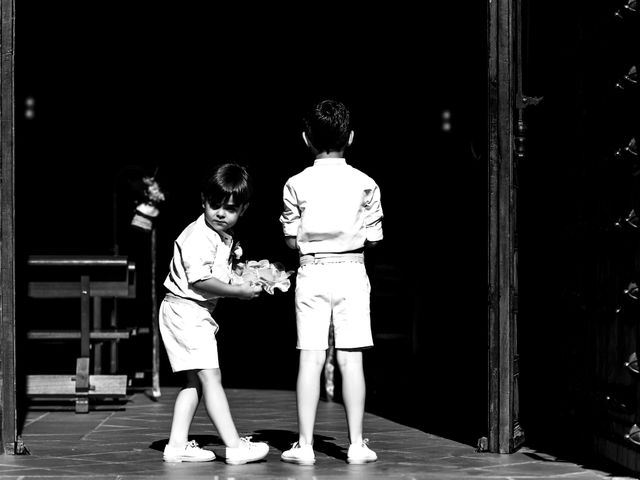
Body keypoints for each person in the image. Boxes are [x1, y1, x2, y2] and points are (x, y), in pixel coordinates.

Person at [279, 99, 383, 465]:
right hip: (352, 269)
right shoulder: (366, 183)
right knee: (351, 359)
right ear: (350, 137)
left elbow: (291, 239)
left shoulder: (296, 183)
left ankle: (305, 446)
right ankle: (356, 445)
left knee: (310, 357)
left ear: (306, 138)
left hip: (313, 271)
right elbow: (374, 238)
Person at [159, 163, 269, 465]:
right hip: (186, 311)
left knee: (193, 382)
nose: (221, 213)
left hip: (192, 312)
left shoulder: (222, 236)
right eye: (214, 205)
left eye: (230, 209)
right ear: (203, 201)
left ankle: (177, 445)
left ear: (243, 209)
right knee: (211, 377)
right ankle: (234, 447)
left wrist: (246, 277)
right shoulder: (198, 235)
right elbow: (200, 280)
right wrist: (240, 292)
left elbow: (219, 273)